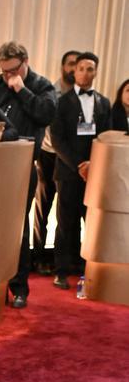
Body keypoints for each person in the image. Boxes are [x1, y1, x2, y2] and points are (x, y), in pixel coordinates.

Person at [0, 41, 56, 307]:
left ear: (25, 62)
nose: (8, 76)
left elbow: (46, 115)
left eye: (13, 70)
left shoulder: (42, 86)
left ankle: (19, 287)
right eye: (3, 71)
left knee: (18, 227)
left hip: (23, 167)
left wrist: (21, 90)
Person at [50, 52, 111, 288]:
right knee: (65, 222)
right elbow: (57, 139)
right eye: (82, 68)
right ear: (74, 71)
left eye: (90, 69)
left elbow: (104, 137)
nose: (86, 72)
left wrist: (93, 164)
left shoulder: (103, 103)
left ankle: (87, 268)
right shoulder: (61, 102)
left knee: (93, 222)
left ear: (96, 72)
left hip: (96, 173)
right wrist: (79, 165)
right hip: (68, 171)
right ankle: (61, 271)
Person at [32, 51, 80, 273]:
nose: (73, 69)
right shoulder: (53, 91)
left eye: (76, 65)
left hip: (72, 158)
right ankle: (39, 257)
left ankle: (69, 257)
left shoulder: (83, 96)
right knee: (44, 204)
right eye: (70, 64)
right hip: (49, 154)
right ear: (62, 67)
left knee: (69, 209)